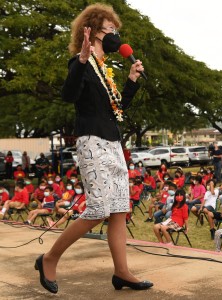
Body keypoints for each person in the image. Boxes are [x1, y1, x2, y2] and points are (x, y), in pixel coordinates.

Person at [34, 4, 152, 295]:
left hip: (113, 142)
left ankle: (122, 272)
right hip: (92, 143)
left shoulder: (104, 70)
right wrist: (83, 60)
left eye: (116, 30)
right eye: (111, 29)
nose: (116, 35)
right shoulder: (81, 63)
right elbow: (68, 94)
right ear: (94, 31)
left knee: (119, 210)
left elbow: (117, 109)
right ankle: (49, 258)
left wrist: (132, 81)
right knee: (98, 209)